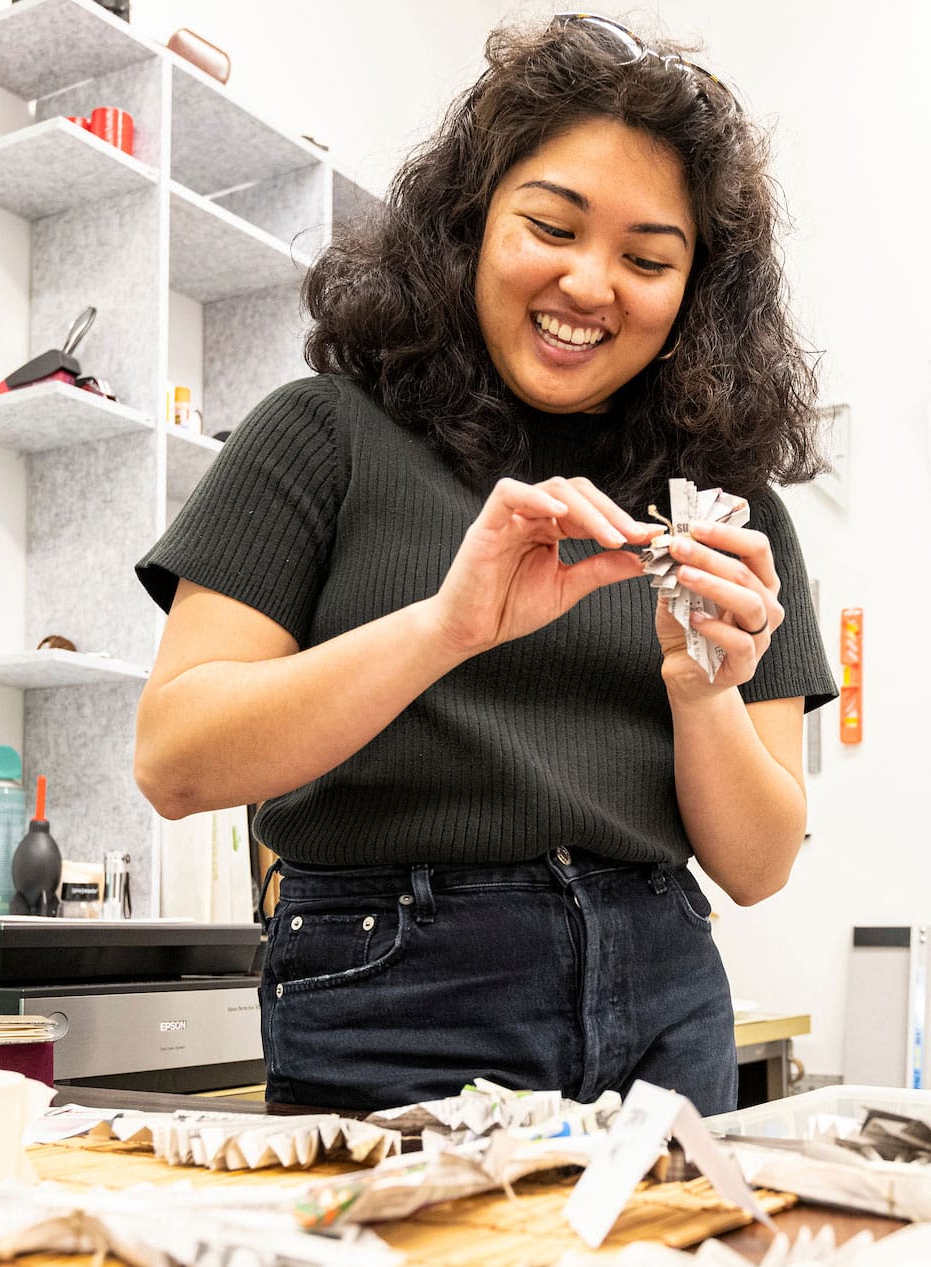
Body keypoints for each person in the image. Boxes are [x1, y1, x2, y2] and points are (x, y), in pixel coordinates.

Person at [133, 15, 832, 1117]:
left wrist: (702, 687)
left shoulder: (728, 513)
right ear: (469, 223)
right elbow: (175, 759)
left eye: (647, 259)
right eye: (549, 226)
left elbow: (754, 864)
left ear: (694, 293)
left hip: (663, 989)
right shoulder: (321, 437)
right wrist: (446, 627)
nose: (590, 285)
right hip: (392, 986)